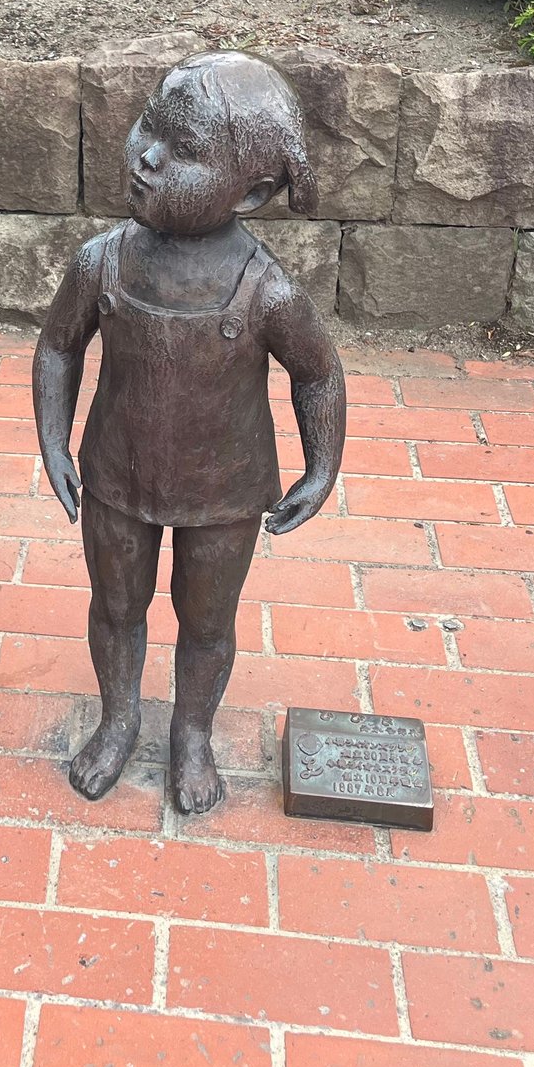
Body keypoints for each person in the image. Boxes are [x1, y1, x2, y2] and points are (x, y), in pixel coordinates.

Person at [32, 52, 348, 814]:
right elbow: (58, 346)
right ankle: (118, 719)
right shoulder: (101, 262)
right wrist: (53, 438)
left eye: (183, 151)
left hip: (226, 492)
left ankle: (192, 733)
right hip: (117, 475)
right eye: (148, 128)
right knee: (116, 606)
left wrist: (321, 467)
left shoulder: (267, 291)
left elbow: (318, 373)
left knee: (207, 621)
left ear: (254, 193)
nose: (146, 157)